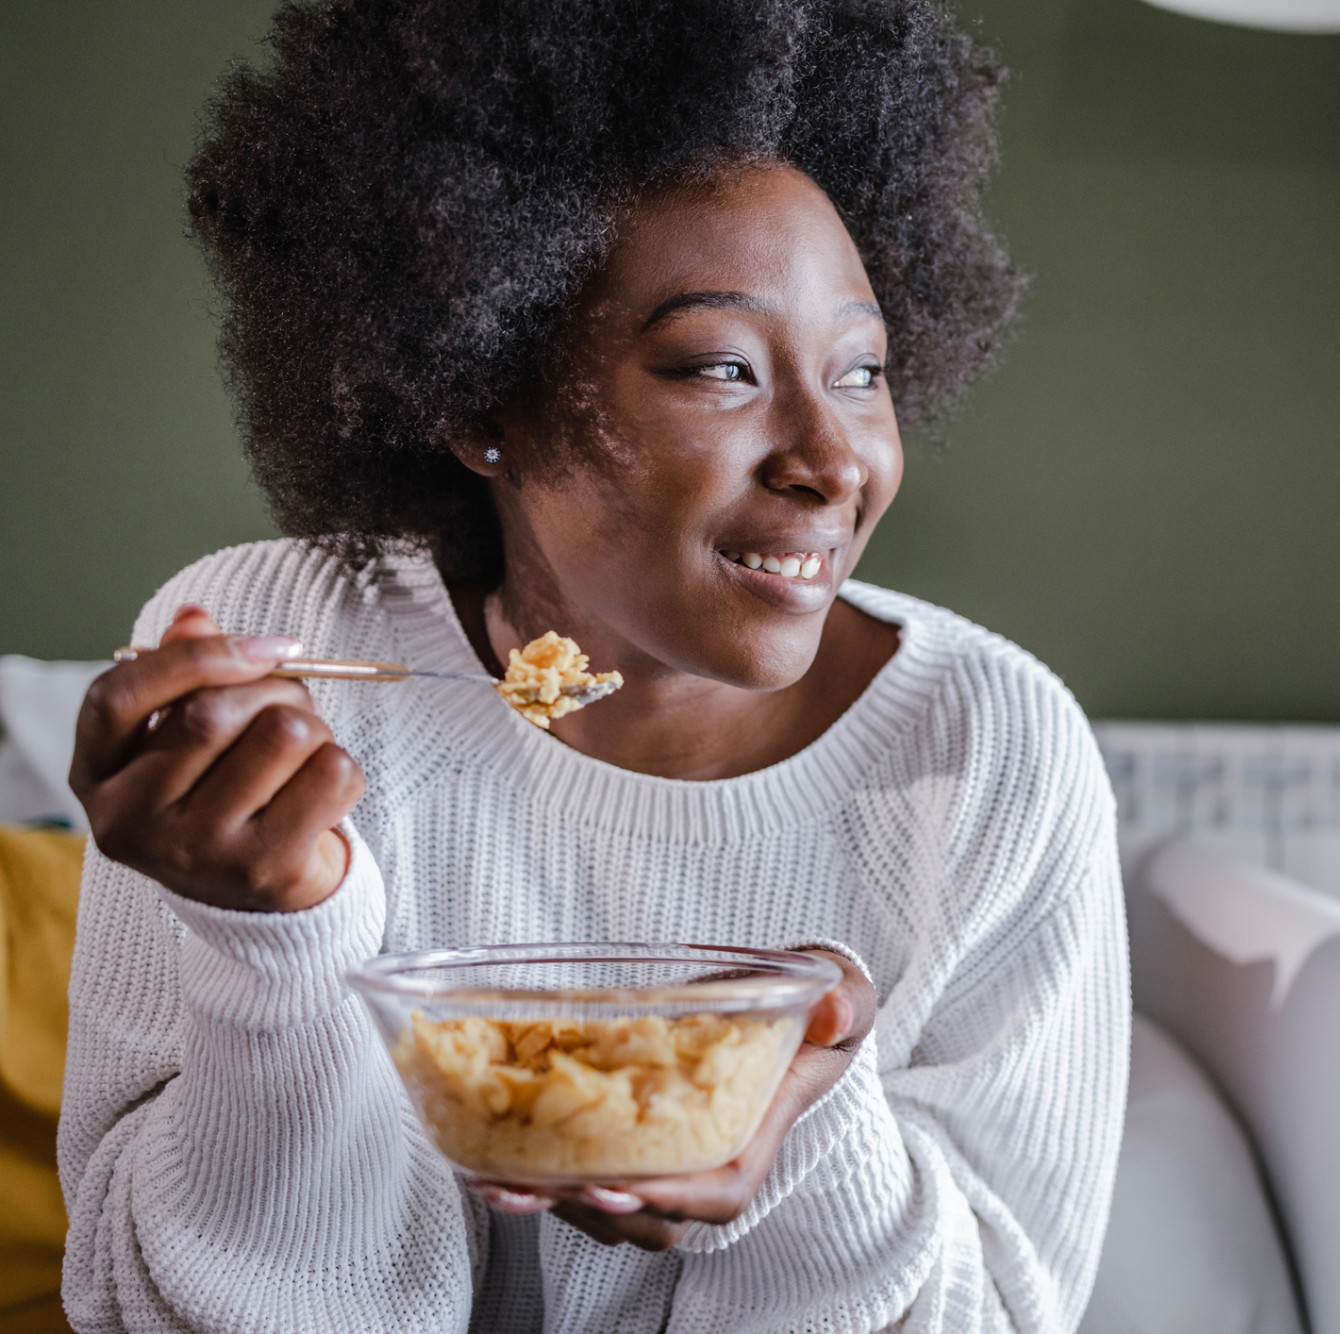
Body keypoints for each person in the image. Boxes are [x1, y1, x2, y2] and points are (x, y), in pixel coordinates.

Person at [56, 1, 1128, 1330]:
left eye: (861, 370)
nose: (833, 457)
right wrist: (272, 945)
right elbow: (132, 1306)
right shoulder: (259, 667)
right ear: (480, 401)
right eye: (721, 367)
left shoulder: (991, 751)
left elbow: (1005, 1317)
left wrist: (805, 1125)